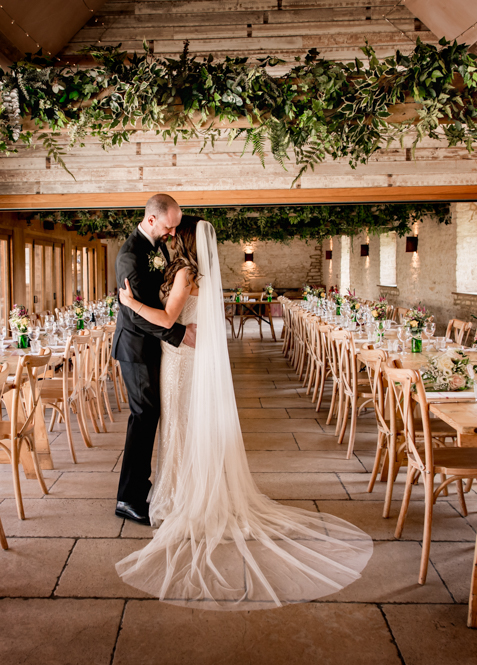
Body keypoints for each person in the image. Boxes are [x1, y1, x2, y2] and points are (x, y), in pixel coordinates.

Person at [115, 217, 373, 610]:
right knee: (180, 424)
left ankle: (184, 493)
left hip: (178, 360)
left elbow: (168, 320)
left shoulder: (184, 272)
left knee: (179, 426)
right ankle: (182, 487)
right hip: (178, 356)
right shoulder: (191, 272)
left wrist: (130, 303)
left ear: (183, 241)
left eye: (174, 234)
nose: (168, 237)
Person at [112, 194, 197, 526]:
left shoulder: (155, 248)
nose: (172, 234)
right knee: (143, 416)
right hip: (135, 348)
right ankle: (128, 499)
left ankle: (139, 488)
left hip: (151, 347)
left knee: (149, 415)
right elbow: (134, 317)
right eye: (168, 226)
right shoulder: (131, 255)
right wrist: (179, 334)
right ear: (151, 220)